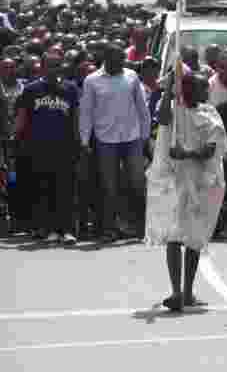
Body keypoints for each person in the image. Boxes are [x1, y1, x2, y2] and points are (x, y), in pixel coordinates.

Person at [146, 67, 227, 312]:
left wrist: (186, 154)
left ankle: (189, 292)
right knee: (174, 235)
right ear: (187, 89)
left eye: (205, 86)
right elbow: (160, 119)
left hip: (202, 182)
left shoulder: (210, 113)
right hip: (175, 181)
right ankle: (176, 292)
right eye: (201, 86)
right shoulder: (173, 110)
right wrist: (170, 88)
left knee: (193, 238)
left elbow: (211, 150)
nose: (206, 90)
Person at [79, 44, 151, 242]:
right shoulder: (92, 81)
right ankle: (109, 229)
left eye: (122, 60)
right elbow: (86, 112)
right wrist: (85, 140)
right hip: (105, 139)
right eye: (117, 60)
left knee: (137, 183)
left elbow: (142, 107)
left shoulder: (131, 77)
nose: (121, 64)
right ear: (107, 59)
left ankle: (141, 227)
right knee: (109, 186)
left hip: (132, 137)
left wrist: (144, 136)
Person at [14, 51, 79, 245]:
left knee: (65, 189)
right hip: (39, 147)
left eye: (57, 66)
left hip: (64, 147)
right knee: (44, 188)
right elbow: (23, 117)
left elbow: (75, 117)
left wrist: (79, 142)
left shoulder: (70, 88)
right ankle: (49, 229)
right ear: (42, 67)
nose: (54, 69)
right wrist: (17, 138)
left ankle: (66, 230)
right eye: (50, 66)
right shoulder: (31, 89)